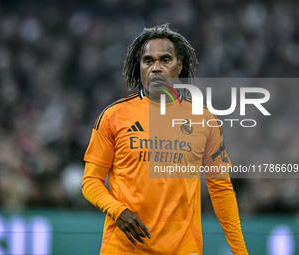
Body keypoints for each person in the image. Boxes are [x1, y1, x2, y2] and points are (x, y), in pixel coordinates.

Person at [82, 24, 248, 255]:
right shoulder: (114, 116)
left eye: (165, 60)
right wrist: (118, 211)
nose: (156, 68)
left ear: (179, 66)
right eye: (148, 61)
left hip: (183, 248)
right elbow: (90, 182)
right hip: (124, 248)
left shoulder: (205, 119)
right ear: (139, 66)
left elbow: (221, 188)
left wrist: (240, 251)